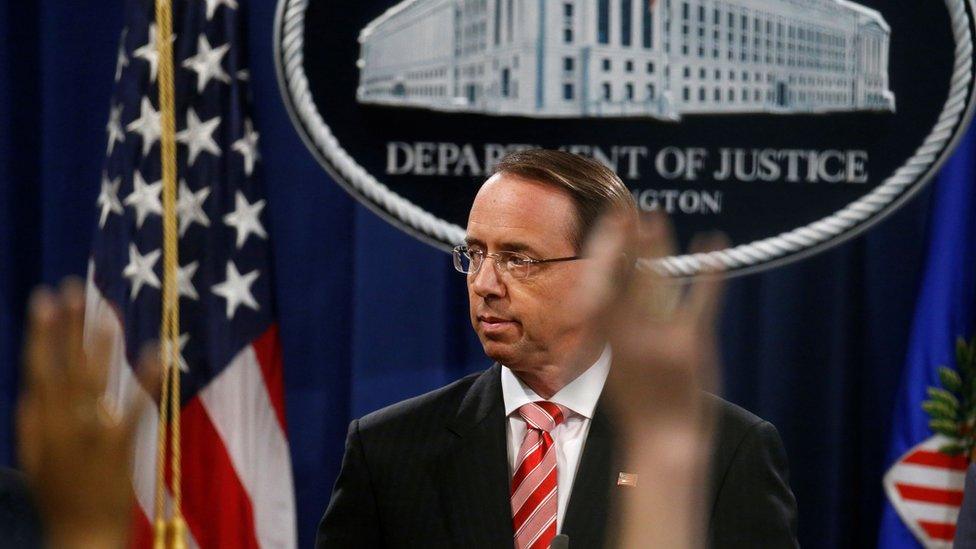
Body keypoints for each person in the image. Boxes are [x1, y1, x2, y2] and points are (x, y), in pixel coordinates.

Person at [316, 149, 798, 548]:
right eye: (475, 254)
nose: (484, 283)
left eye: (518, 259)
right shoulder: (387, 451)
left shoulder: (727, 453)